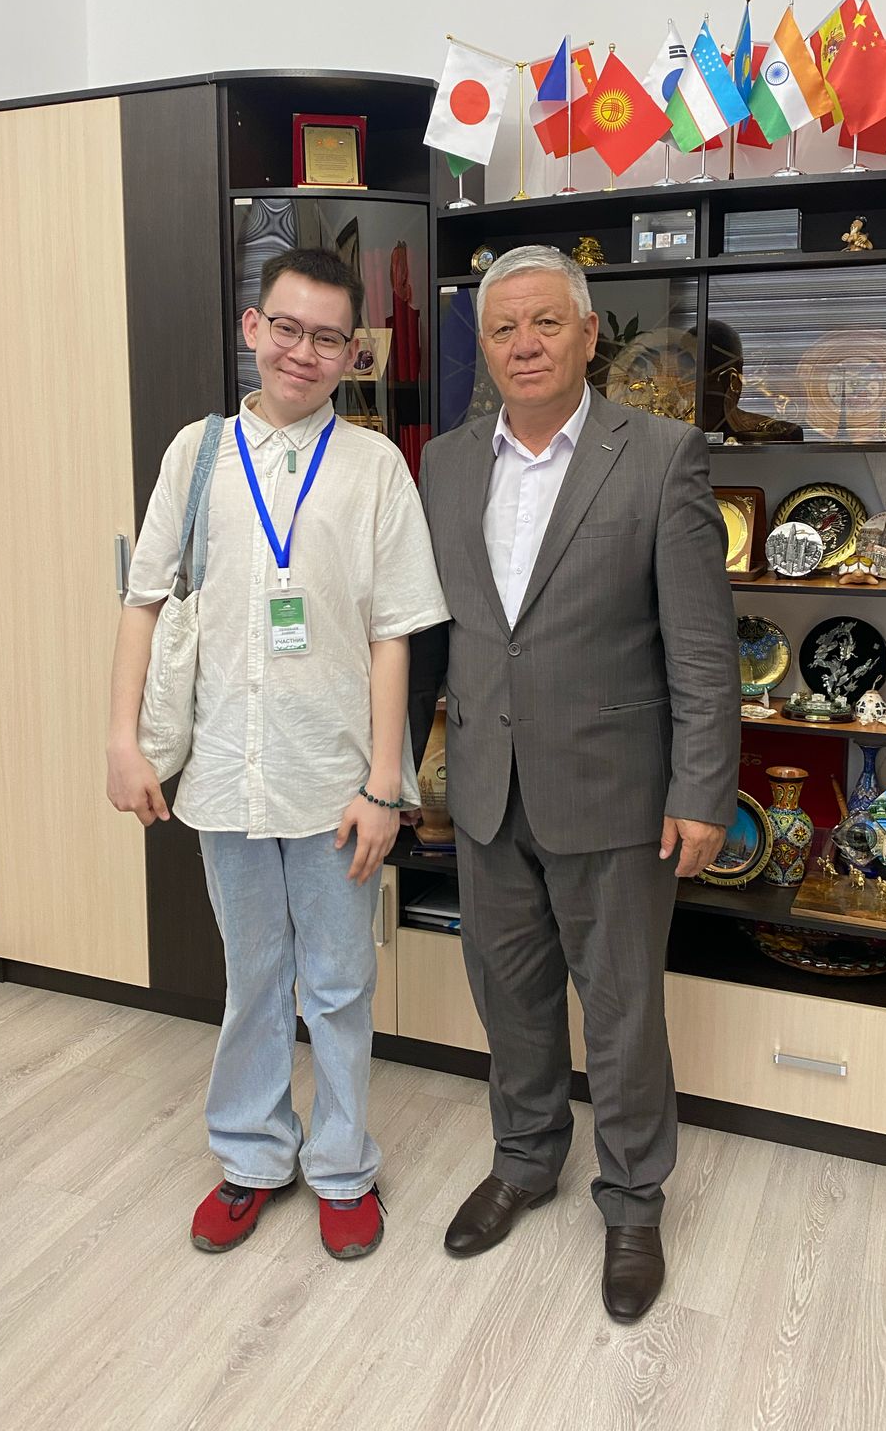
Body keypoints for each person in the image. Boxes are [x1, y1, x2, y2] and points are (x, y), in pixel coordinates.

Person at [409, 245, 739, 1323]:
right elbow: (433, 635)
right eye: (504, 329)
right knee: (507, 995)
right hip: (486, 789)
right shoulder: (445, 463)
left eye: (546, 322)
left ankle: (634, 1202)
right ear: (484, 346)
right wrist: (399, 768)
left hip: (616, 791)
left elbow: (702, 649)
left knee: (623, 1010)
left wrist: (702, 789)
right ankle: (525, 1159)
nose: (525, 345)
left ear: (589, 334)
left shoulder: (661, 456)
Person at [108, 247, 448, 1261]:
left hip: (336, 779)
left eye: (327, 337)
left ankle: (342, 1168)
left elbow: (395, 635)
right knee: (253, 977)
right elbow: (144, 600)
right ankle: (253, 1157)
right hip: (225, 772)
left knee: (339, 983)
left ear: (354, 352)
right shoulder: (198, 453)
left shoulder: (375, 468)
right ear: (253, 328)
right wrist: (122, 741)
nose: (303, 352)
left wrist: (383, 785)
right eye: (287, 328)